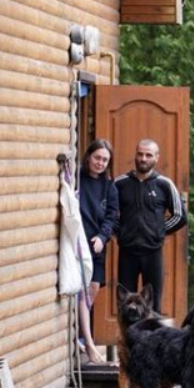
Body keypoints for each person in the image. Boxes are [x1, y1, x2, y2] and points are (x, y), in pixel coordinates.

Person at [115, 138, 187, 313]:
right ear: (135, 155)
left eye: (148, 155)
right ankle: (128, 340)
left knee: (153, 305)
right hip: (127, 251)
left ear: (156, 158)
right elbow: (108, 213)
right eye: (140, 154)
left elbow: (180, 216)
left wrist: (158, 232)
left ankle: (153, 339)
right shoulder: (120, 183)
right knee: (125, 305)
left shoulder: (164, 184)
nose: (143, 159)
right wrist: (121, 232)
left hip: (153, 252)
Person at [77, 139, 118, 363]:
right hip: (79, 243)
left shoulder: (109, 187)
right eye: (97, 158)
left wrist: (103, 237)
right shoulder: (77, 179)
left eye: (105, 160)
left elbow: (112, 217)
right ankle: (87, 342)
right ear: (88, 157)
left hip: (97, 244)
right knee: (82, 290)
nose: (100, 163)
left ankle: (77, 331)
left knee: (93, 288)